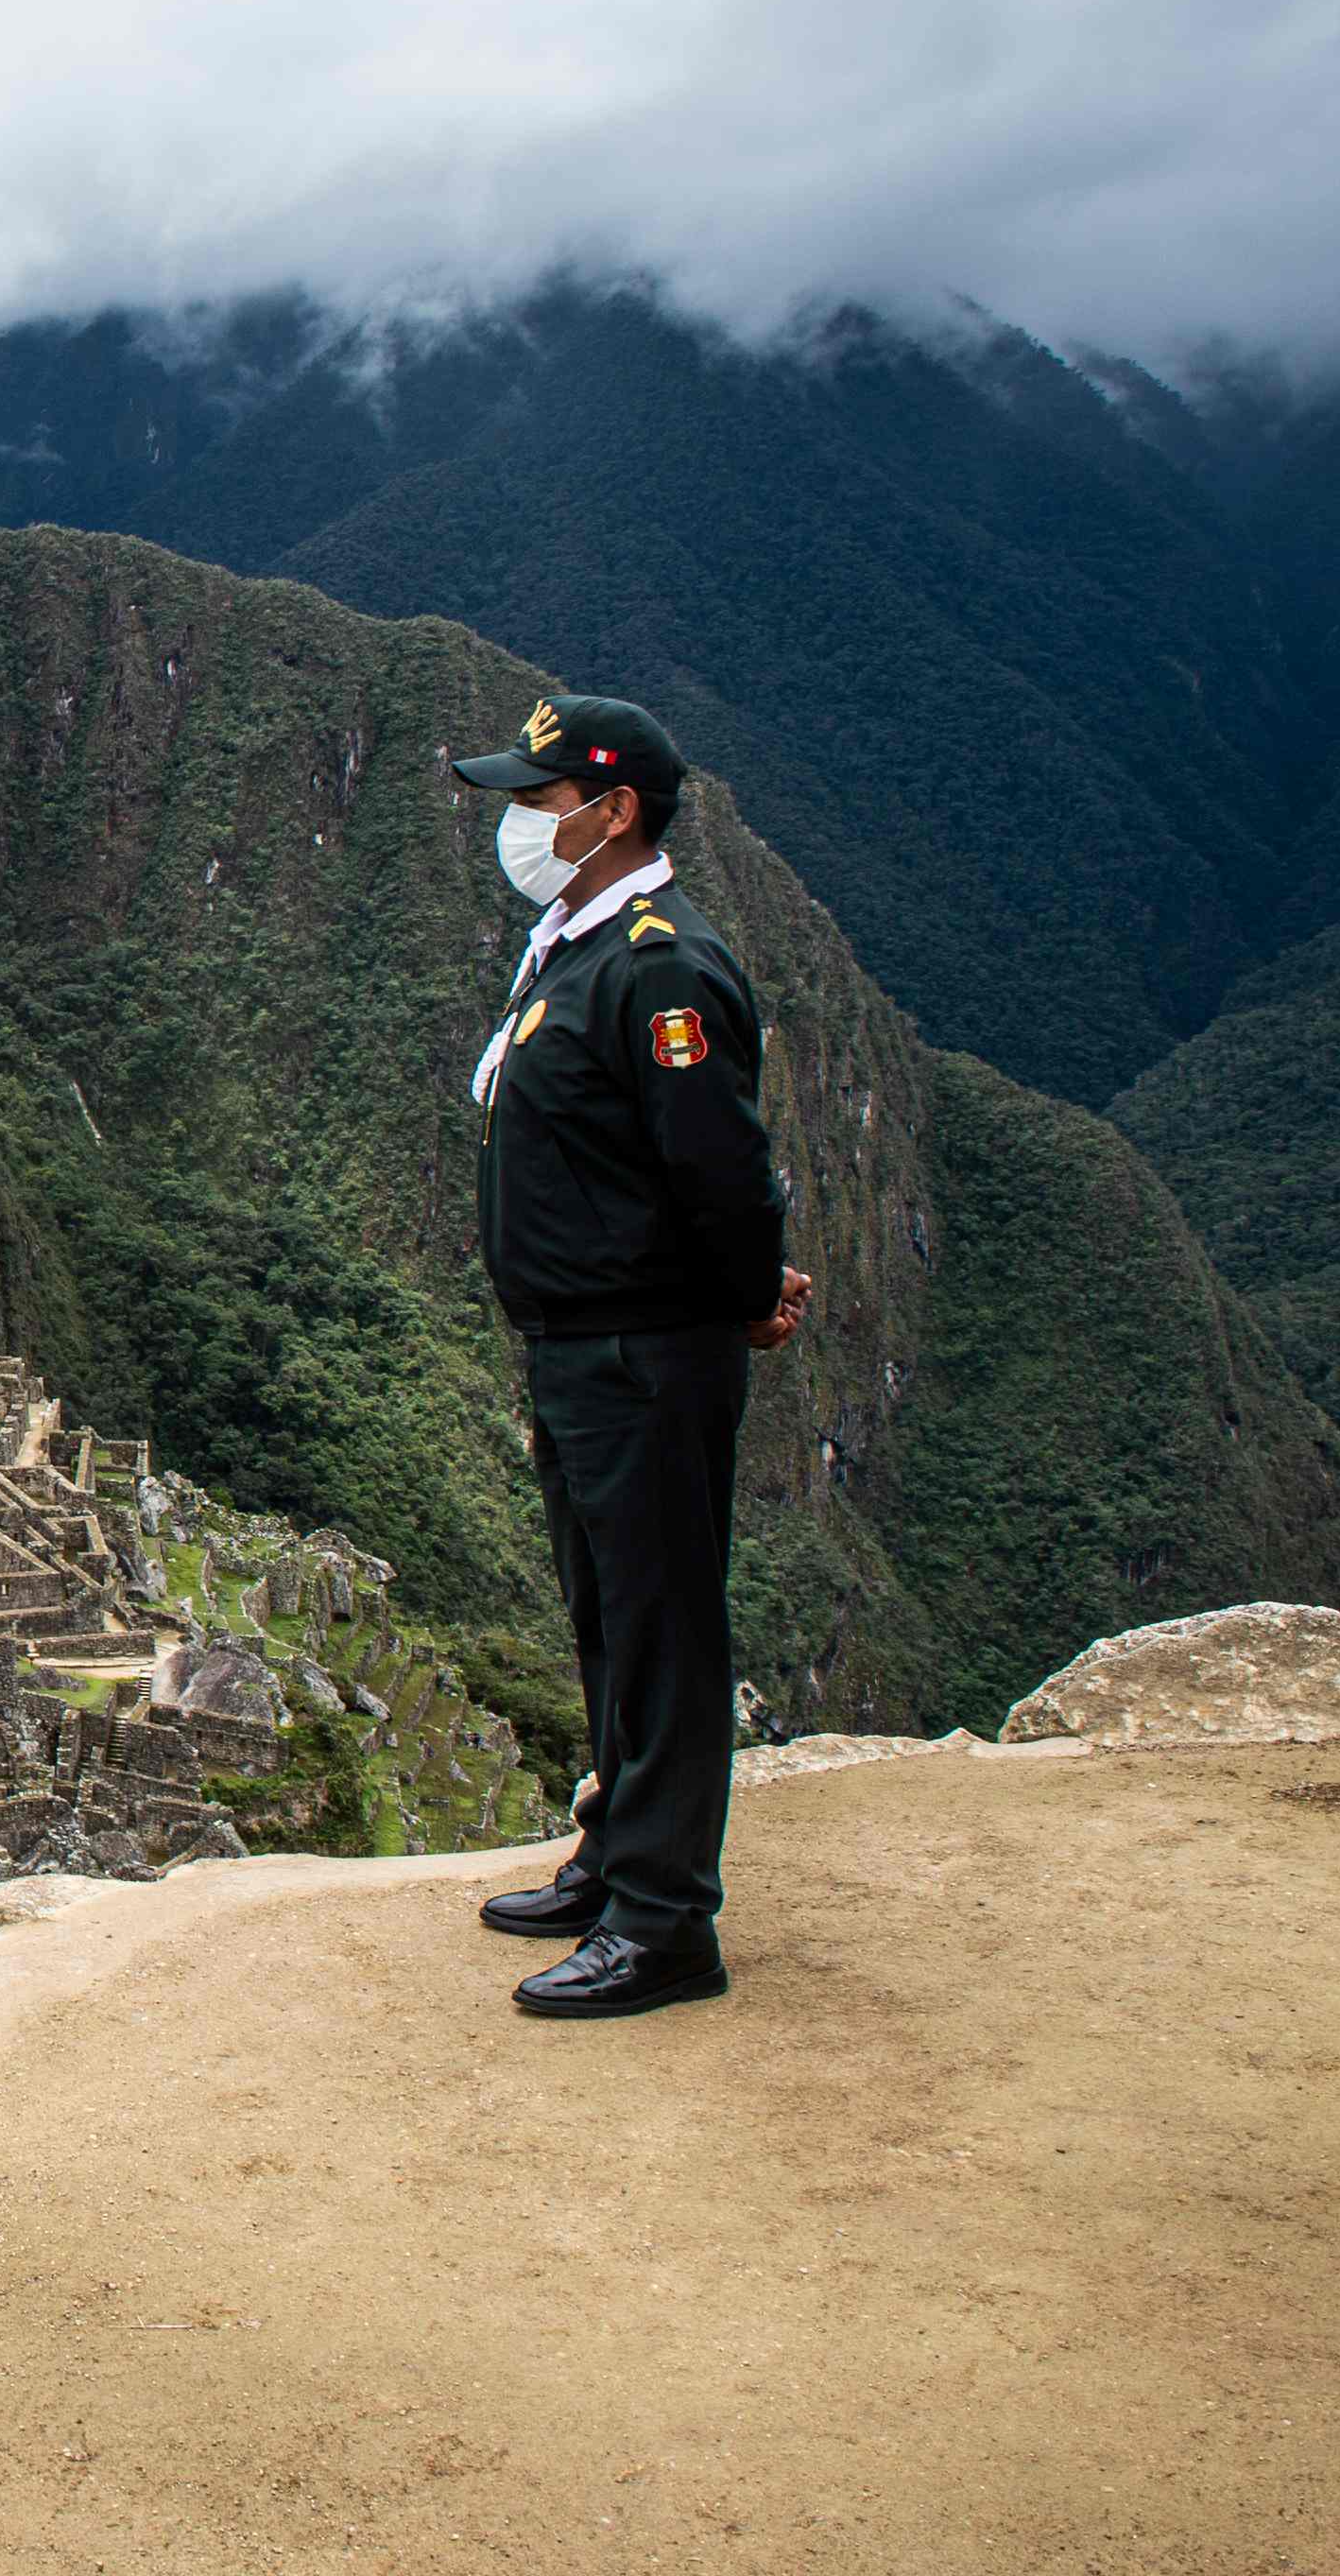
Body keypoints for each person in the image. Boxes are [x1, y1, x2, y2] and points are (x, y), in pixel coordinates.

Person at [448, 694, 812, 2018]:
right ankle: (614, 1852)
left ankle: (666, 1923)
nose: (518, 823)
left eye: (538, 801)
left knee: (664, 1624)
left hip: (645, 1351)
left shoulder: (659, 966)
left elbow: (720, 1165)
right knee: (610, 1615)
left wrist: (746, 1296)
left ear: (614, 815)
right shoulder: (575, 945)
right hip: (579, 1350)